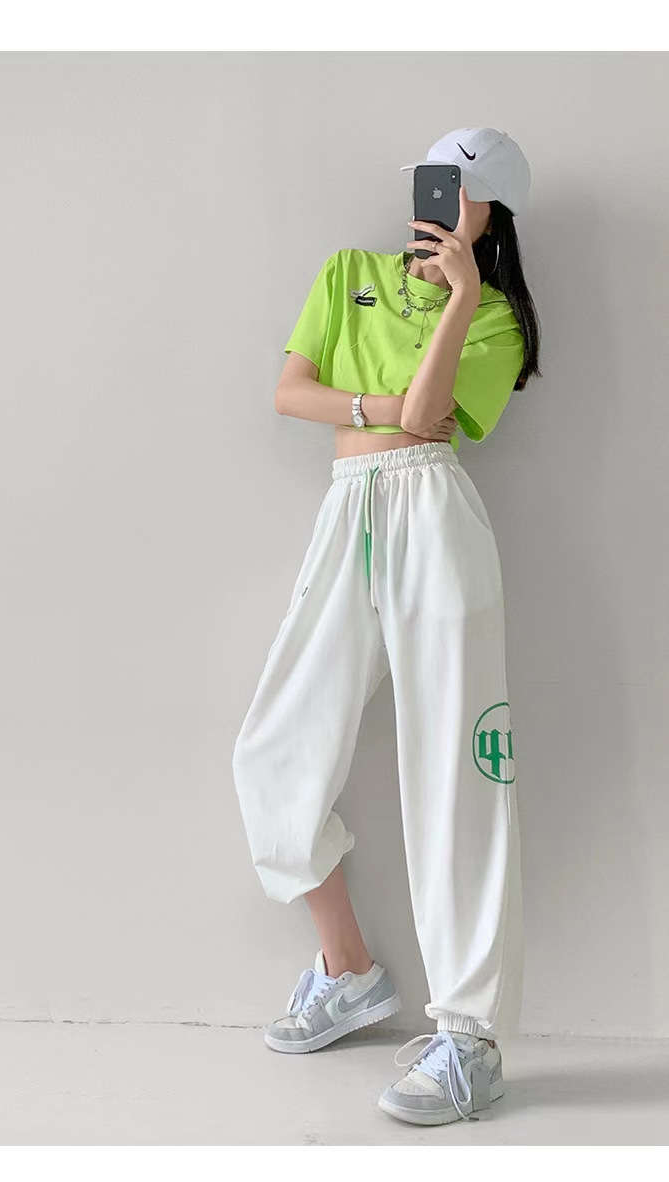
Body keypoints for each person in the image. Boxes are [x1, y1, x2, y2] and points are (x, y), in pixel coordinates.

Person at [232, 127, 541, 1127]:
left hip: (437, 522)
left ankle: (470, 1040)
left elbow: (433, 412)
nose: (437, 200)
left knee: (457, 773)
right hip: (348, 512)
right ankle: (349, 969)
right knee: (272, 750)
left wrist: (460, 297)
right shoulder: (346, 273)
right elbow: (291, 393)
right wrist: (376, 405)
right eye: (431, 181)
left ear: (491, 214)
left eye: (461, 190)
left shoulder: (495, 318)